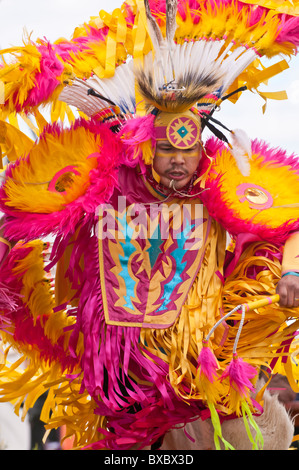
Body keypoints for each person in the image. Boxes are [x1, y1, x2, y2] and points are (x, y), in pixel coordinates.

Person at [0, 0, 299, 451]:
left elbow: (290, 224)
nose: (178, 161)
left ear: (203, 145)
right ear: (145, 145)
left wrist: (292, 273)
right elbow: (21, 218)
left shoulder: (223, 183)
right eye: (165, 150)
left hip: (199, 380)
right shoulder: (102, 182)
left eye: (188, 150)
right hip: (116, 387)